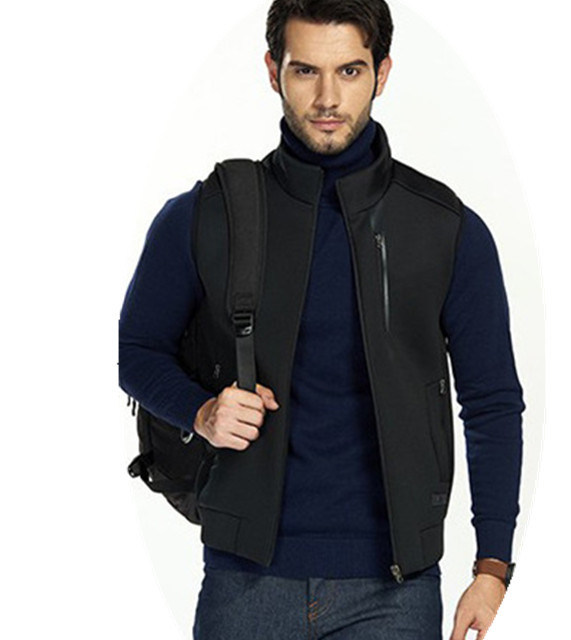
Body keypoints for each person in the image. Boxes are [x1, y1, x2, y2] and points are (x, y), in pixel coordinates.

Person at [118, 1, 525, 638]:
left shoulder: (446, 229)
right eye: (305, 70)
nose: (328, 98)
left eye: (350, 71)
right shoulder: (206, 214)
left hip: (395, 591)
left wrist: (492, 565)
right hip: (243, 583)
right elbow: (137, 350)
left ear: (382, 73)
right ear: (273, 71)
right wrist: (201, 411)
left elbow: (492, 400)